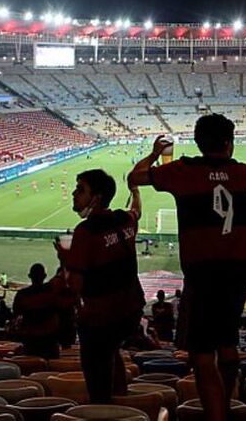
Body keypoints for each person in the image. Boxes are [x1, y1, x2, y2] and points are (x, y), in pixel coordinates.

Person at [128, 114, 246, 421]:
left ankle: (217, 416)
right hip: (242, 265)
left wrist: (155, 154)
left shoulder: (182, 171)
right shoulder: (242, 172)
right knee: (227, 339)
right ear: (229, 144)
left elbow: (135, 177)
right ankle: (227, 398)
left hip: (203, 268)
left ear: (197, 142)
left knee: (202, 352)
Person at [57, 169, 145, 404]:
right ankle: (122, 401)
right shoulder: (125, 220)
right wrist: (135, 191)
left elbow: (75, 284)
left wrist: (66, 260)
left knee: (96, 375)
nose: (74, 194)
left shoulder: (85, 232)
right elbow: (137, 211)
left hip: (102, 316)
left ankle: (103, 407)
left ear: (96, 197)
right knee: (112, 350)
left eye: (81, 189)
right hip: (131, 309)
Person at [13, 263, 70, 359]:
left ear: (29, 276)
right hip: (50, 341)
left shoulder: (22, 295)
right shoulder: (52, 291)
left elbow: (16, 314)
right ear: (44, 276)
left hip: (30, 342)